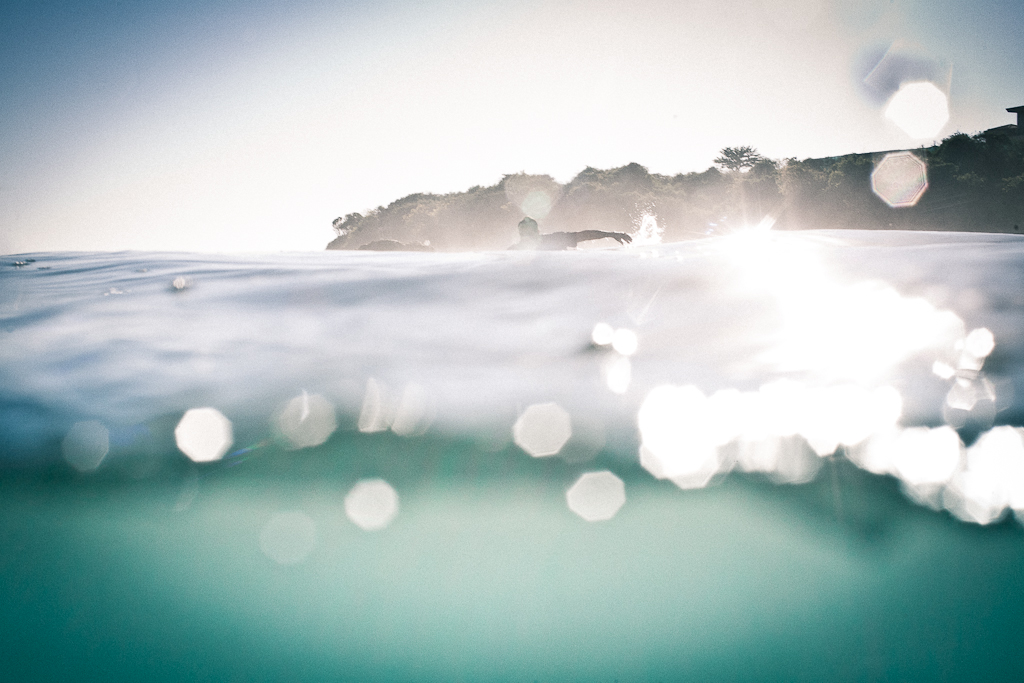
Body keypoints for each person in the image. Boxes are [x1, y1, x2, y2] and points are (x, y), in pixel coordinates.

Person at [509, 217, 633, 250]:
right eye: (525, 233)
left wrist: (611, 234)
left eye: (529, 232)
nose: (527, 236)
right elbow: (582, 235)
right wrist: (611, 234)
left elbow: (583, 235)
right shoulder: (513, 251)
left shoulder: (554, 240)